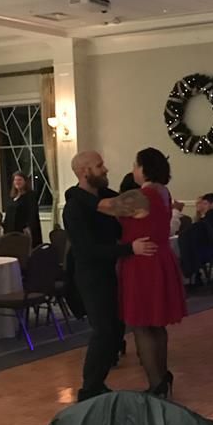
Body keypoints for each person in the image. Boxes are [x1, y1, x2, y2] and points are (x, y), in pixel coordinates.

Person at [64, 152, 157, 402]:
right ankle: (88, 389)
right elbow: (88, 249)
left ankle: (96, 384)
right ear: (84, 171)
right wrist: (130, 249)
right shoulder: (74, 208)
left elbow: (134, 207)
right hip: (90, 274)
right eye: (99, 166)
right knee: (103, 330)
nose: (105, 169)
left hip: (109, 270)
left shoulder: (103, 197)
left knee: (115, 329)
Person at [98, 148, 187, 398]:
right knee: (156, 324)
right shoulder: (163, 192)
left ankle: (156, 383)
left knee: (141, 324)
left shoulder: (142, 196)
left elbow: (104, 206)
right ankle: (163, 377)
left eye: (135, 165)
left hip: (143, 263)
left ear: (144, 168)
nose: (133, 170)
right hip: (160, 258)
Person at [2, 171, 42, 247]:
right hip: (11, 230)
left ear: (25, 181)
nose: (17, 182)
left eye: (20, 180)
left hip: (23, 230)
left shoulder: (30, 195)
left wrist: (28, 228)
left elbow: (32, 213)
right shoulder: (12, 196)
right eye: (15, 180)